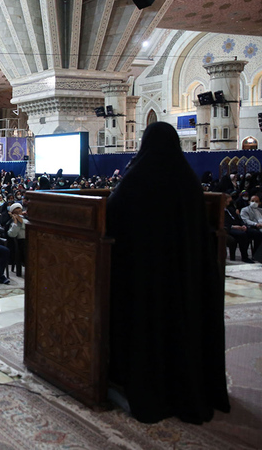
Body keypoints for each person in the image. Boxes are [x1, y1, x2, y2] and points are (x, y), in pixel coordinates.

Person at [106, 121, 229, 424]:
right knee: (179, 328)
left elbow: (113, 211)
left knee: (148, 330)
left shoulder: (137, 178)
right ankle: (186, 389)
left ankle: (147, 388)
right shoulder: (187, 179)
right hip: (183, 278)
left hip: (146, 276)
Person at [6, 202, 27, 277]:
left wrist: (21, 222)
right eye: (16, 212)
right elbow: (12, 234)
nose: (19, 214)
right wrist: (16, 223)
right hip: (21, 242)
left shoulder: (25, 219)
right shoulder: (11, 222)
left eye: (20, 211)